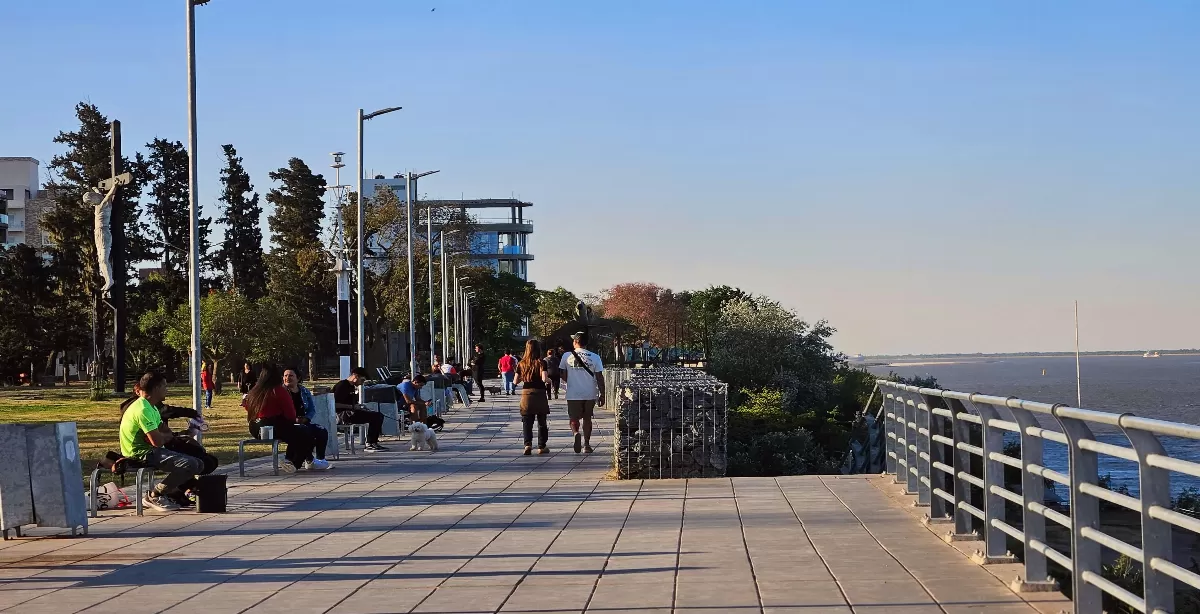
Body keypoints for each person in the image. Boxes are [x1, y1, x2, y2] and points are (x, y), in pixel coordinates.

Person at [119, 383, 218, 508]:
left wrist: (178, 434)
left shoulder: (152, 407)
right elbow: (157, 439)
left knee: (202, 460)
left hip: (160, 445)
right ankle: (158, 494)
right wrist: (190, 414)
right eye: (164, 386)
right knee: (194, 462)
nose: (167, 389)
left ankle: (175, 491)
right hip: (144, 451)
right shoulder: (142, 409)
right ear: (154, 389)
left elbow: (165, 432)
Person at [243, 365, 314, 473]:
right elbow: (290, 414)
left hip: (255, 428)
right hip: (273, 426)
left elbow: (248, 408)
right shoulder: (278, 390)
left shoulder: (254, 391)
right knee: (305, 432)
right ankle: (295, 463)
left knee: (296, 434)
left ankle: (291, 460)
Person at [559, 331, 606, 454]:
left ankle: (576, 433)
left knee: (573, 417)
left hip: (573, 392)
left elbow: (562, 374)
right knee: (587, 418)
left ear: (575, 342)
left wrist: (572, 378)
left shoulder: (566, 356)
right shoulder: (595, 357)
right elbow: (600, 377)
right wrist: (602, 394)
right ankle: (587, 444)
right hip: (590, 393)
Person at [283, 368, 331, 470]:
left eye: (291, 376)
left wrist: (306, 418)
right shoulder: (281, 392)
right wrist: (293, 419)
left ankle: (320, 459)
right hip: (288, 423)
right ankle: (298, 460)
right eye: (285, 375)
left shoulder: (304, 391)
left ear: (298, 378)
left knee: (321, 430)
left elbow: (312, 409)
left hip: (303, 421)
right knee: (303, 432)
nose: (287, 378)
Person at [332, 367, 388, 451]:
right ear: (355, 376)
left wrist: (360, 406)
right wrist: (352, 407)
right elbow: (334, 404)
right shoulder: (342, 385)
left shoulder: (351, 387)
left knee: (377, 415)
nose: (362, 383)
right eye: (362, 380)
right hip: (342, 415)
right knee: (376, 417)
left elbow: (351, 403)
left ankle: (373, 442)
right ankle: (370, 443)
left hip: (350, 412)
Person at [516, 339, 550, 455]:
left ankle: (527, 444)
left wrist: (524, 377)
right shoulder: (542, 362)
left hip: (526, 394)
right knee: (542, 421)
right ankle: (541, 446)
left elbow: (515, 381)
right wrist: (550, 380)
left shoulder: (521, 363)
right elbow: (544, 379)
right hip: (540, 393)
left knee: (527, 421)